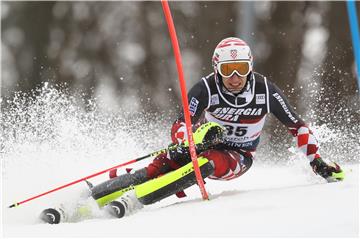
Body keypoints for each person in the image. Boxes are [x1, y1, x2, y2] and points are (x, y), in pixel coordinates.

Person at [40, 37, 345, 223]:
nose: (235, 77)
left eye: (241, 69)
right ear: (217, 68)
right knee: (160, 165)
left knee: (206, 164)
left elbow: (298, 126)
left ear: (250, 67)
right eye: (228, 70)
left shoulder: (266, 90)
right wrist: (189, 137)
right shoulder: (206, 88)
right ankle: (87, 198)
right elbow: (180, 124)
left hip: (238, 156)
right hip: (201, 145)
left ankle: (136, 199)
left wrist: (317, 163)